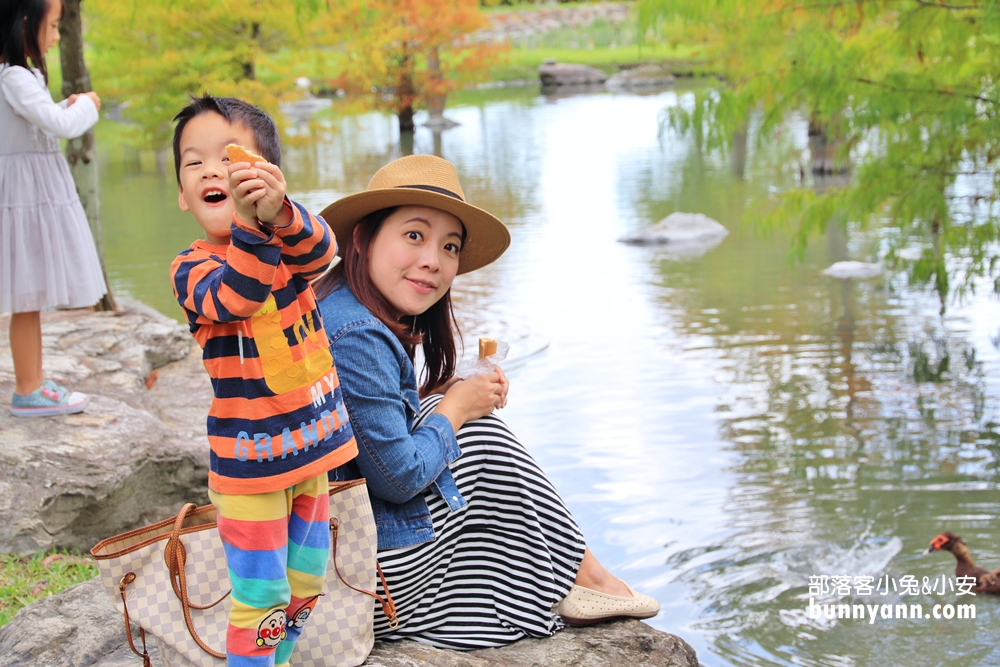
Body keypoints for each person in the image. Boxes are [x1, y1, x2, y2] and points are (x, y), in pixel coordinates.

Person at [314, 154, 660, 650]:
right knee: (481, 436)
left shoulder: (344, 304)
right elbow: (395, 478)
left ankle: (578, 579)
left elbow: (373, 437)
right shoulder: (355, 334)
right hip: (364, 581)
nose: (434, 260)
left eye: (449, 246)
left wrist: (450, 397)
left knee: (456, 422)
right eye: (414, 235)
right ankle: (588, 581)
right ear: (363, 239)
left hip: (348, 552)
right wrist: (456, 408)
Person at [168, 95, 359, 667]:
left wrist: (278, 214)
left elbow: (324, 250)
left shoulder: (289, 244)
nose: (210, 170)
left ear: (267, 176)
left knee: (305, 587)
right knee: (262, 600)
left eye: (228, 157)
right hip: (250, 469)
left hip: (311, 455)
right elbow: (238, 295)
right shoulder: (193, 268)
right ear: (183, 195)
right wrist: (254, 229)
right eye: (192, 162)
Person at [0, 0, 106, 417]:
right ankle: (29, 387)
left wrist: (65, 106)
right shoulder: (16, 76)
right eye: (54, 25)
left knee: (30, 300)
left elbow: (39, 124)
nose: (57, 35)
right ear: (27, 21)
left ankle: (34, 382)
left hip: (31, 194)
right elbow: (60, 127)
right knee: (26, 298)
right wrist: (87, 106)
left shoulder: (18, 76)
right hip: (27, 197)